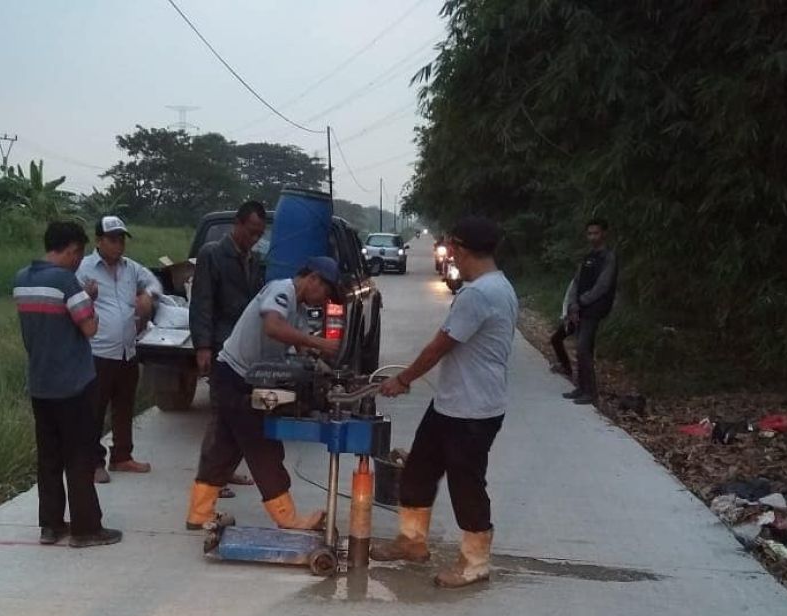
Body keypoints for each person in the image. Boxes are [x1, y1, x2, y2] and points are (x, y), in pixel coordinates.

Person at [372, 216, 518, 588]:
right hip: (450, 405)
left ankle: (475, 562)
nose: (450, 256)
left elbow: (440, 345)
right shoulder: (499, 285)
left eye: (453, 249)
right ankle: (412, 541)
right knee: (419, 470)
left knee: (466, 484)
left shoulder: (480, 294)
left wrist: (402, 379)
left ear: (465, 250)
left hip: (472, 410)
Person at [185, 257, 342, 531]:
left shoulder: (299, 308)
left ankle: (199, 513)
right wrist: (318, 342)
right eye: (324, 293)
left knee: (224, 446)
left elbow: (295, 343)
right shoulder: (281, 291)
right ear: (313, 278)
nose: (323, 301)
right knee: (262, 447)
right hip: (237, 377)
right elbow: (273, 326)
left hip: (241, 376)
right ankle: (287, 518)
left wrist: (316, 359)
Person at [13, 221, 122, 548]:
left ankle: (50, 525)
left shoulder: (21, 280)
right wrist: (88, 298)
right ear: (73, 249)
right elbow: (89, 327)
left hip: (40, 383)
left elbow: (48, 323)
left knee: (48, 457)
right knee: (79, 455)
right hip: (73, 384)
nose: (79, 260)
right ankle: (86, 529)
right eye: (79, 253)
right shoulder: (65, 281)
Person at [76, 215, 163, 483]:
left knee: (124, 406)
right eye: (112, 240)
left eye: (122, 239)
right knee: (95, 409)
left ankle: (122, 456)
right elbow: (71, 301)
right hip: (98, 352)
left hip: (127, 350)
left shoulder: (131, 268)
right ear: (99, 241)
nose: (118, 245)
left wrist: (148, 296)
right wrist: (86, 298)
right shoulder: (84, 268)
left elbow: (155, 283)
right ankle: (93, 463)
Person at [190, 199, 268, 495]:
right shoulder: (212, 255)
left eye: (260, 233)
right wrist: (203, 346)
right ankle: (208, 477)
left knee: (236, 414)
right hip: (221, 345)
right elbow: (202, 303)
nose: (255, 238)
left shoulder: (253, 259)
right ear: (237, 224)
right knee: (219, 414)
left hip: (244, 347)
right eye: (251, 231)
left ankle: (225, 471)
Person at [550, 219, 617, 404]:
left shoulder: (608, 258)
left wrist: (582, 302)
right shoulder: (588, 256)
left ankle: (591, 392)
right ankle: (581, 387)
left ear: (604, 233)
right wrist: (572, 304)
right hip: (579, 309)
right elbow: (576, 282)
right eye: (590, 233)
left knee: (583, 348)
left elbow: (602, 286)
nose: (592, 237)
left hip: (594, 309)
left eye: (596, 233)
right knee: (580, 349)